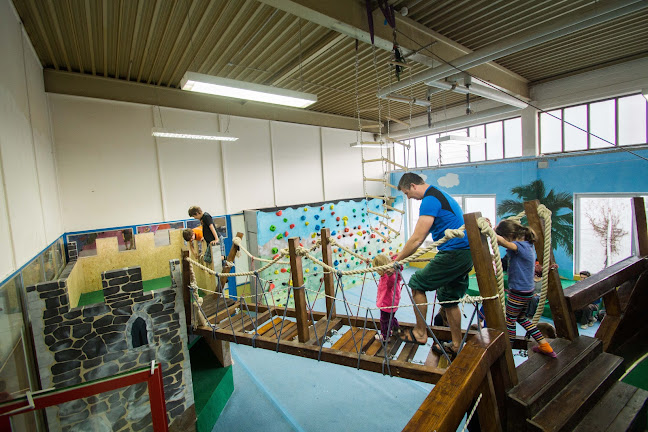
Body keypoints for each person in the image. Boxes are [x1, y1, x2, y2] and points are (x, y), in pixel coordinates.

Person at [393, 173, 473, 359]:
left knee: (417, 283)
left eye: (406, 193)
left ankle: (421, 333)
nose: (408, 197)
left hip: (453, 253)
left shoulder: (430, 200)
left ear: (413, 186)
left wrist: (397, 261)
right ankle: (456, 343)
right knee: (449, 299)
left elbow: (417, 239)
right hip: (464, 253)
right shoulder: (440, 194)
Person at [495, 220, 556, 358]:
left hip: (519, 292)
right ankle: (545, 346)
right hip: (526, 291)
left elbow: (505, 243)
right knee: (521, 318)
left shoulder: (520, 246)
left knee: (509, 319)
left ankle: (507, 350)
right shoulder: (528, 245)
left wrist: (490, 232)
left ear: (510, 235)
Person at [372, 254, 402, 341]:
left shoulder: (389, 276)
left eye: (377, 270)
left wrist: (390, 271)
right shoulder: (396, 272)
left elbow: (390, 282)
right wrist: (394, 260)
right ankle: (396, 330)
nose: (377, 272)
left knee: (384, 320)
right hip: (393, 301)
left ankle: (385, 336)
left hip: (387, 302)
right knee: (391, 318)